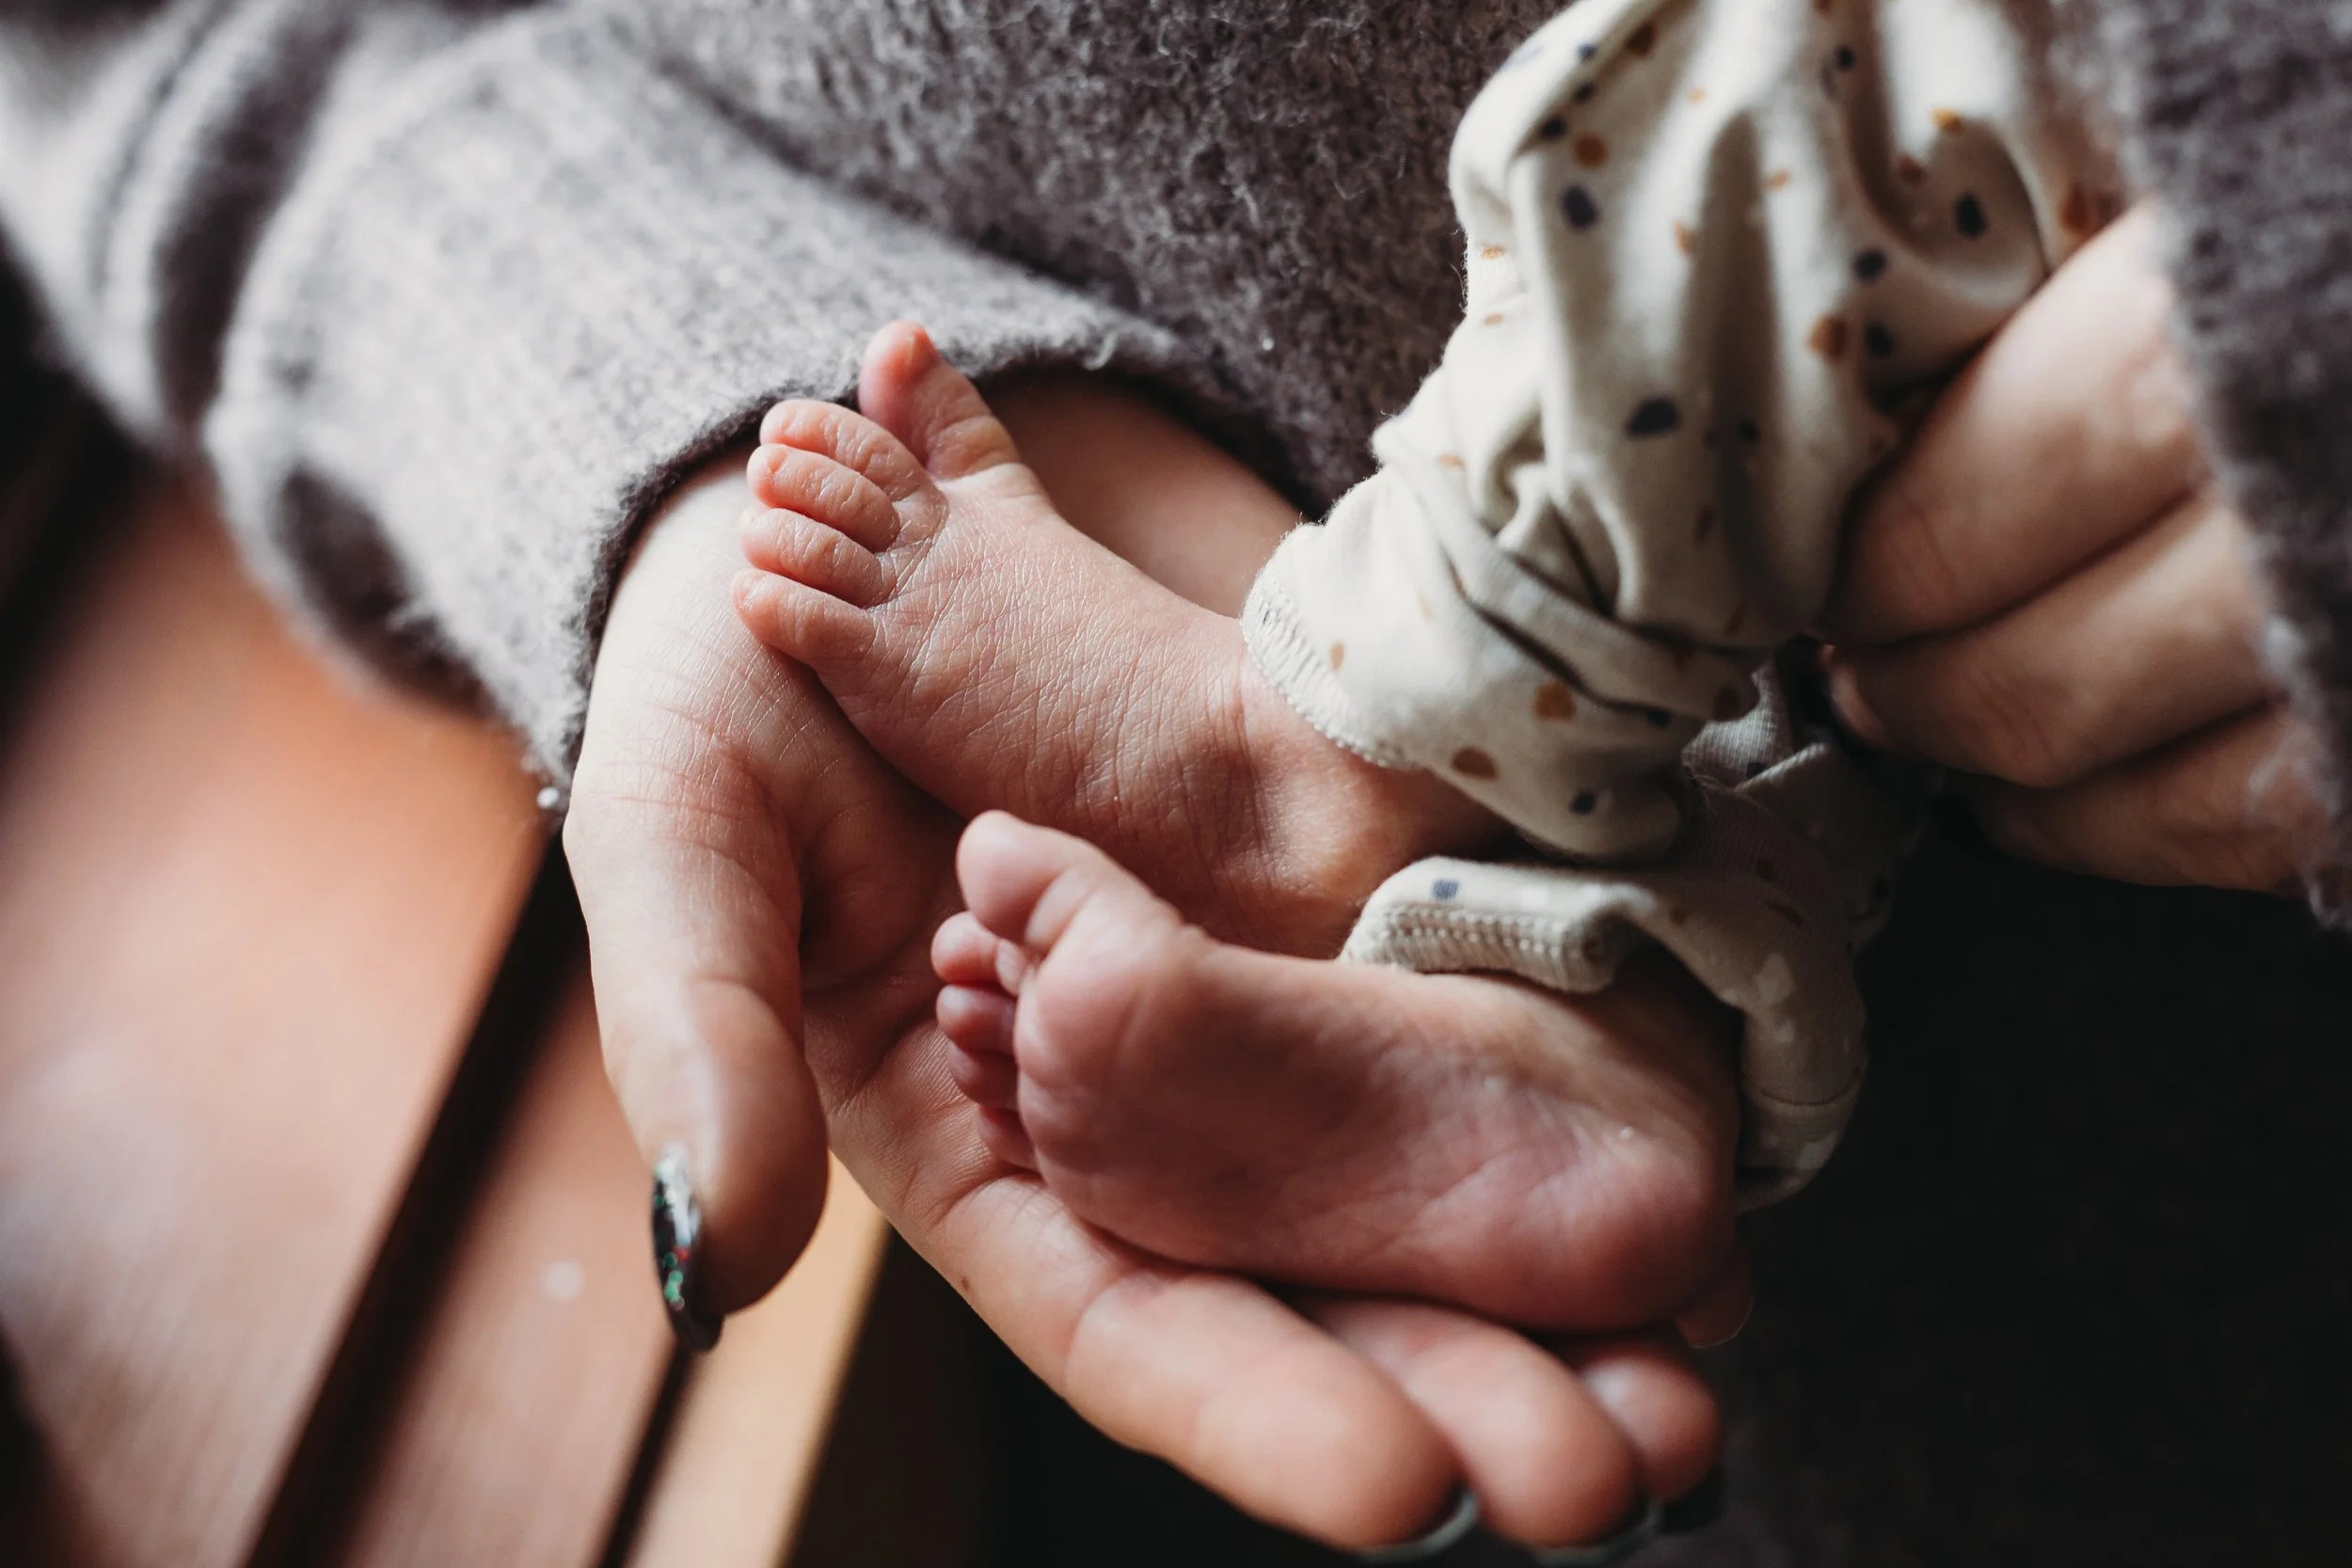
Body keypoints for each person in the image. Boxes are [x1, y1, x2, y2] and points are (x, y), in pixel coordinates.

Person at [1, 1, 2345, 1560]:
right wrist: (620, 348)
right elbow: (157, 52)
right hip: (1814, 1315)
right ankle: (1558, 1018)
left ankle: (1309, 736)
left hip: (2206, 1280)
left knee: (1760, 147)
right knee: (1778, 774)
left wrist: (2295, 232)